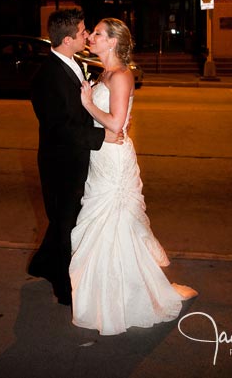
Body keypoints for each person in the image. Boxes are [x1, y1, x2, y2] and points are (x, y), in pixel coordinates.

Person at [70, 17, 197, 335]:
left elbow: (115, 124)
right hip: (101, 158)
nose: (91, 37)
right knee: (101, 226)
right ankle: (107, 292)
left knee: (117, 226)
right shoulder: (104, 72)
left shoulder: (122, 75)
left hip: (115, 160)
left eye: (97, 34)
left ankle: (131, 296)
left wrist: (87, 104)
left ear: (112, 41)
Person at [27, 8, 123, 305]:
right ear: (68, 39)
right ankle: (63, 288)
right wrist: (102, 136)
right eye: (82, 32)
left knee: (64, 219)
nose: (86, 35)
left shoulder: (72, 63)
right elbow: (59, 129)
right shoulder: (47, 77)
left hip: (78, 159)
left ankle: (42, 263)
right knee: (65, 223)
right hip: (61, 164)